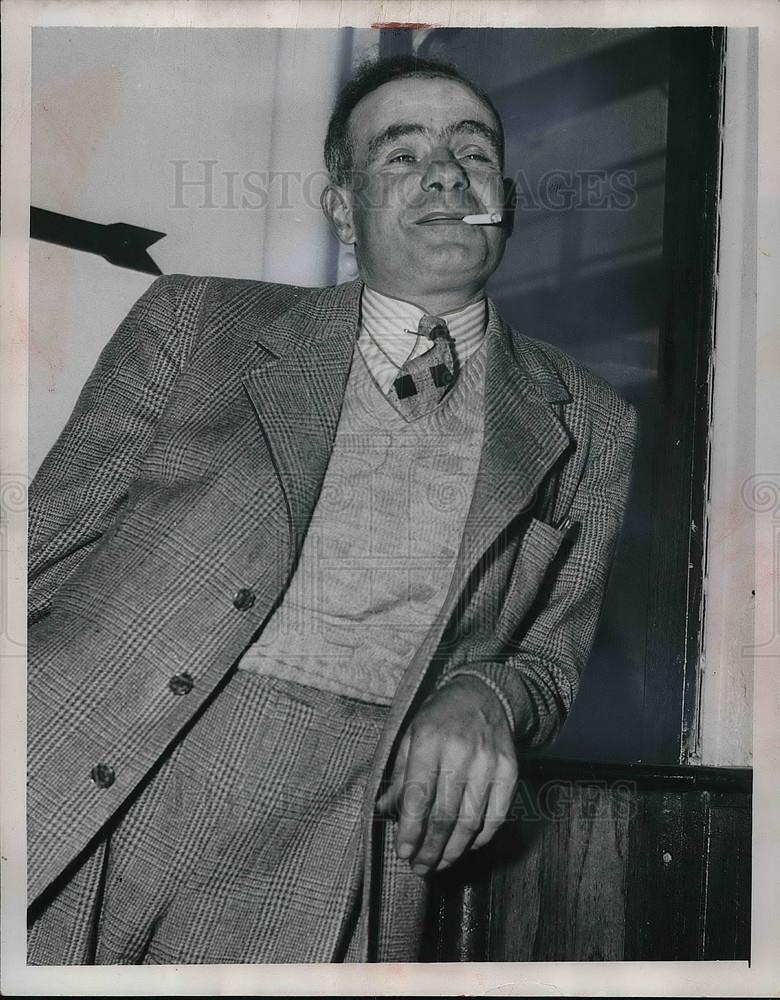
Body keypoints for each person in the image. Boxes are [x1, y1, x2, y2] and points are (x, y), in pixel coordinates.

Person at [26, 54, 638, 965]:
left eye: (472, 152)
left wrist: (486, 693)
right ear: (344, 211)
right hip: (79, 783)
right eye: (401, 155)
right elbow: (36, 555)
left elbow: (546, 666)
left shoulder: (590, 422)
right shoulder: (197, 321)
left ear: (502, 199)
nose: (444, 172)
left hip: (332, 849)